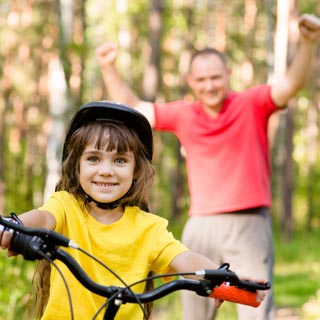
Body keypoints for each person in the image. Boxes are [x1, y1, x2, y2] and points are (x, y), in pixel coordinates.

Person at [95, 13, 320, 320]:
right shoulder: (185, 115)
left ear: (227, 74)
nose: (209, 85)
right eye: (201, 80)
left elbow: (292, 84)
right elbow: (136, 109)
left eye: (215, 77)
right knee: (196, 313)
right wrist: (108, 68)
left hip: (248, 225)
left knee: (254, 307)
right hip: (201, 225)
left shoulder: (252, 103)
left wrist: (307, 42)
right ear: (191, 82)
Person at [0, 101, 266, 319]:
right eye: (93, 158)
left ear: (136, 170)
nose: (106, 170)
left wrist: (223, 278)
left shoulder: (148, 228)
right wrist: (13, 225)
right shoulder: (66, 206)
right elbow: (44, 217)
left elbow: (183, 259)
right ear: (77, 166)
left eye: (119, 160)